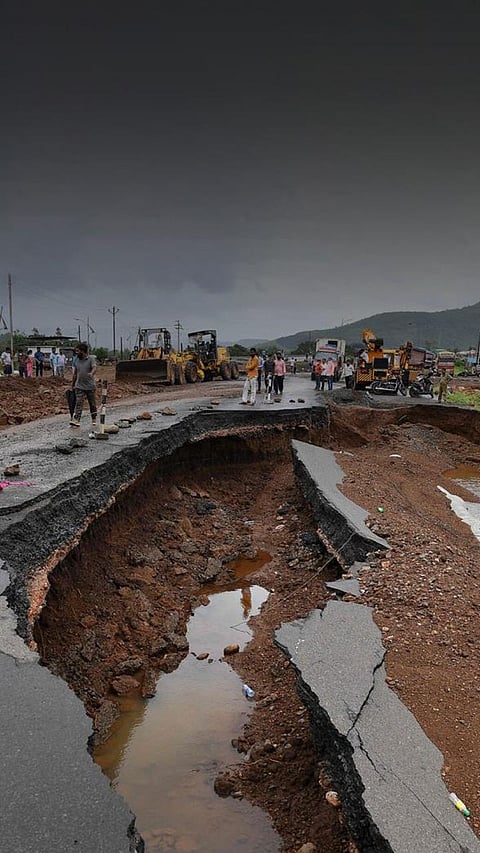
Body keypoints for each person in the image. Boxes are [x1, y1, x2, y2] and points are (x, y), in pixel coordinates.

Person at [70, 342, 97, 426]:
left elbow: (94, 367)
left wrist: (91, 373)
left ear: (83, 351)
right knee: (79, 403)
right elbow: (75, 374)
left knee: (92, 403)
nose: (76, 353)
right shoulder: (76, 360)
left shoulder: (91, 359)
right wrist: (73, 384)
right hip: (79, 386)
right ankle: (77, 420)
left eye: (78, 351)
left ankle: (94, 418)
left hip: (90, 386)